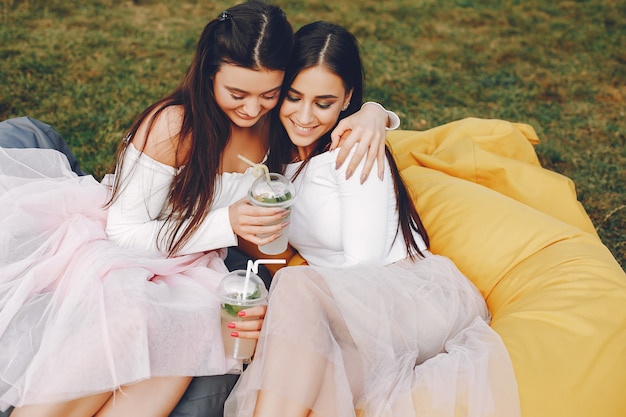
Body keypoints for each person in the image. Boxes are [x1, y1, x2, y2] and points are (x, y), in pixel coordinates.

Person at [0, 2, 398, 416]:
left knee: (185, 343)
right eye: (237, 93)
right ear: (210, 74)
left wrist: (374, 114)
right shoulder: (174, 127)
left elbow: (324, 96)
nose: (250, 109)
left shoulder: (278, 123)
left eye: (269, 94)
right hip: (128, 250)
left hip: (198, 269)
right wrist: (228, 223)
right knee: (131, 323)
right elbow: (124, 233)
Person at [223, 21, 521, 417]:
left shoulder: (353, 149)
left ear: (347, 98)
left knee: (294, 289)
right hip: (345, 312)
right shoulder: (277, 160)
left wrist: (374, 114)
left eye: (324, 103)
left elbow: (363, 269)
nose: (305, 116)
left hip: (408, 301)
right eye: (293, 97)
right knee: (308, 394)